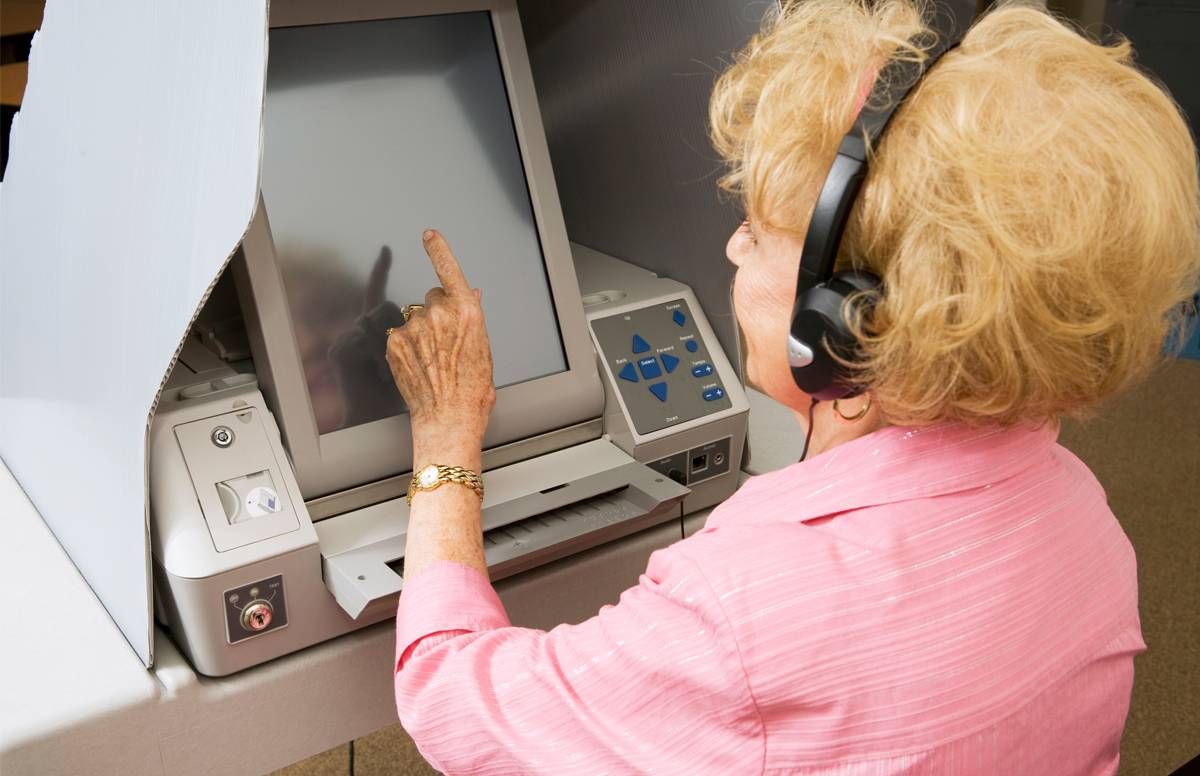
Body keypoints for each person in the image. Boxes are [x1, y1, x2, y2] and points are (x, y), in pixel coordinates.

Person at [382, 1, 1200, 773]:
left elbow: (456, 700)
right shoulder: (1085, 517)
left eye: (760, 231)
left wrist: (447, 440)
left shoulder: (743, 609)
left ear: (855, 316)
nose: (733, 250)